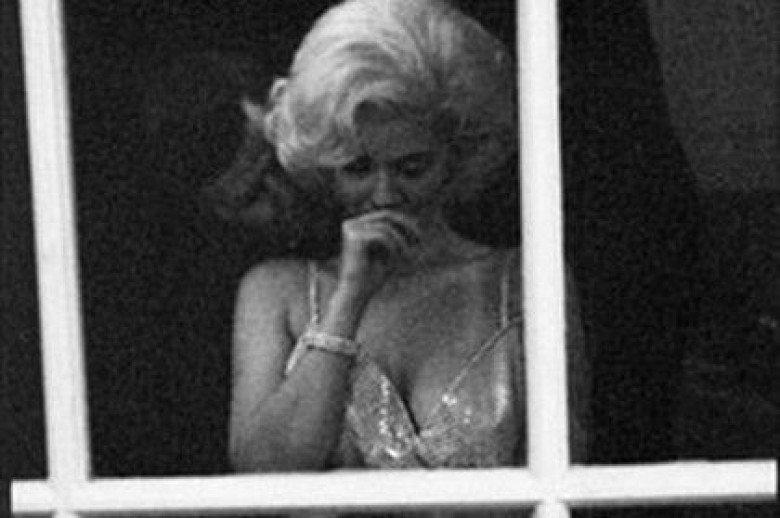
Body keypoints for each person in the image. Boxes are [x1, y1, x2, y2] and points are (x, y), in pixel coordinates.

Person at [229, 0, 589, 477]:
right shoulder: (275, 292)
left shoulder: (528, 283)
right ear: (326, 168)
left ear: (457, 157)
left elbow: (564, 477)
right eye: (358, 168)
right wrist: (348, 301)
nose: (384, 193)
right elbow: (262, 474)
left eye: (412, 167)